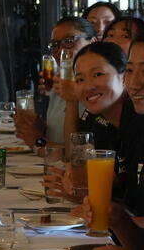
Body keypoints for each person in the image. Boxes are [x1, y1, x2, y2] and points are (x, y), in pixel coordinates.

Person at [16, 16, 95, 154]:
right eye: (55, 45)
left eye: (69, 41)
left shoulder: (96, 90)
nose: (61, 50)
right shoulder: (57, 84)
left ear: (93, 42)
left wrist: (38, 141)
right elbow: (58, 135)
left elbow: (81, 154)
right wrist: (38, 127)